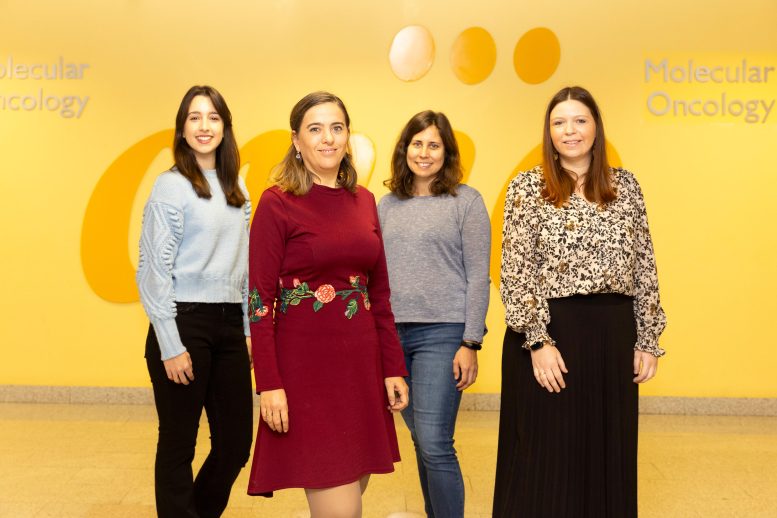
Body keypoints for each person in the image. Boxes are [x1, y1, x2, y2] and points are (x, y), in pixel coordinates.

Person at [493, 86, 667, 518]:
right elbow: (515, 270)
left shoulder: (626, 186)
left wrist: (647, 338)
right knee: (545, 461)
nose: (569, 131)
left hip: (613, 337)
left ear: (596, 127)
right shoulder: (527, 187)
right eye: (559, 122)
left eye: (579, 120)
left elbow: (644, 263)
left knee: (607, 456)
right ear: (549, 131)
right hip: (550, 337)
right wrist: (538, 341)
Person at [246, 91, 409, 518]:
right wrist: (269, 384)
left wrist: (392, 368)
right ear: (296, 140)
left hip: (360, 370)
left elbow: (380, 296)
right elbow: (259, 303)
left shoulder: (364, 201)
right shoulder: (277, 203)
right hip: (306, 376)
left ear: (348, 135)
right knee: (342, 509)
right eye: (315, 129)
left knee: (352, 493)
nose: (328, 138)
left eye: (337, 128)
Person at [136, 85, 253, 518]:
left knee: (235, 445)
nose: (204, 126)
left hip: (229, 326)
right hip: (183, 323)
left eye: (213, 117)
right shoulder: (171, 186)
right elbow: (152, 269)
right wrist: (170, 344)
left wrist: (247, 331)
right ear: (182, 129)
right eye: (195, 117)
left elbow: (244, 266)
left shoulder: (237, 186)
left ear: (225, 127)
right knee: (178, 443)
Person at [377, 110, 490, 518]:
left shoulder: (466, 202)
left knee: (435, 442)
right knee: (421, 440)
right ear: (404, 149)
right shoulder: (386, 205)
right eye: (417, 143)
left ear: (447, 152)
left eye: (434, 145)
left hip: (443, 333)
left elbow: (479, 276)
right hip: (393, 335)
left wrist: (470, 341)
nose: (424, 153)